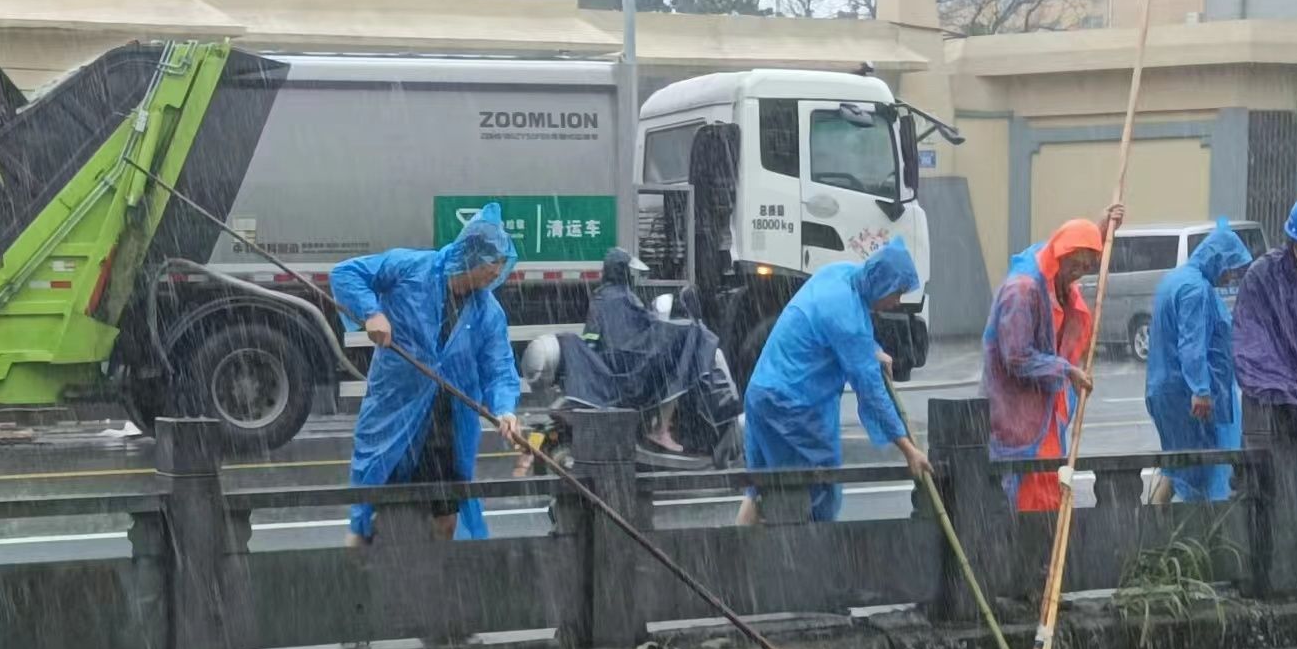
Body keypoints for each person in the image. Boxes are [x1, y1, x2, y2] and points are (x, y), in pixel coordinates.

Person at [330, 202, 524, 545]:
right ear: (471, 259)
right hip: (395, 404)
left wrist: (505, 410)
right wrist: (371, 313)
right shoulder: (412, 268)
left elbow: (499, 367)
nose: (496, 276)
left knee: (446, 512)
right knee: (370, 508)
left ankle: (438, 581)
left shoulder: (487, 311)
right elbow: (346, 274)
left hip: (446, 420)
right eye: (491, 269)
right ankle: (357, 575)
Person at [735, 239, 932, 525]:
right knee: (811, 490)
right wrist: (909, 450)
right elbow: (872, 391)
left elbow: (833, 332)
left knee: (761, 487)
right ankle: (805, 560)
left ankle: (736, 561)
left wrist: (872, 350)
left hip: (763, 393)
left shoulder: (840, 274)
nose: (897, 302)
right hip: (791, 407)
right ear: (883, 284)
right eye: (897, 293)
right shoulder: (846, 316)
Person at [981, 208, 1120, 511]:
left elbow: (1072, 248)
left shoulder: (1058, 284)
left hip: (1045, 421)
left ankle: (1047, 554)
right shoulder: (1022, 291)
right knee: (1026, 501)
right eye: (1077, 263)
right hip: (1018, 420)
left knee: (1051, 493)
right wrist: (1067, 370)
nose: (1079, 272)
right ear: (1062, 254)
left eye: (1087, 266)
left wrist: (1102, 230)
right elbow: (1016, 356)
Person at [557, 247, 718, 453]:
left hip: (608, 367)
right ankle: (661, 429)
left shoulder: (598, 298)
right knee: (678, 368)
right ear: (623, 272)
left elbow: (591, 337)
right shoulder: (628, 298)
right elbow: (649, 327)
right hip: (633, 371)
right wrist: (680, 331)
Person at [1144, 220, 1252, 503]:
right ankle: (1197, 536)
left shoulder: (1176, 279)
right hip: (1186, 396)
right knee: (1198, 469)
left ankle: (1152, 529)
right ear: (1218, 260)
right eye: (1231, 269)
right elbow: (1192, 344)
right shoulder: (1196, 290)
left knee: (1176, 464)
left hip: (1167, 390)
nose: (1231, 277)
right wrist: (1201, 390)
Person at [1233, 195, 1297, 448]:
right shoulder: (1265, 276)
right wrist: (1289, 390)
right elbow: (1252, 343)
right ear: (1293, 239)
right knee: (1281, 479)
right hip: (1277, 410)